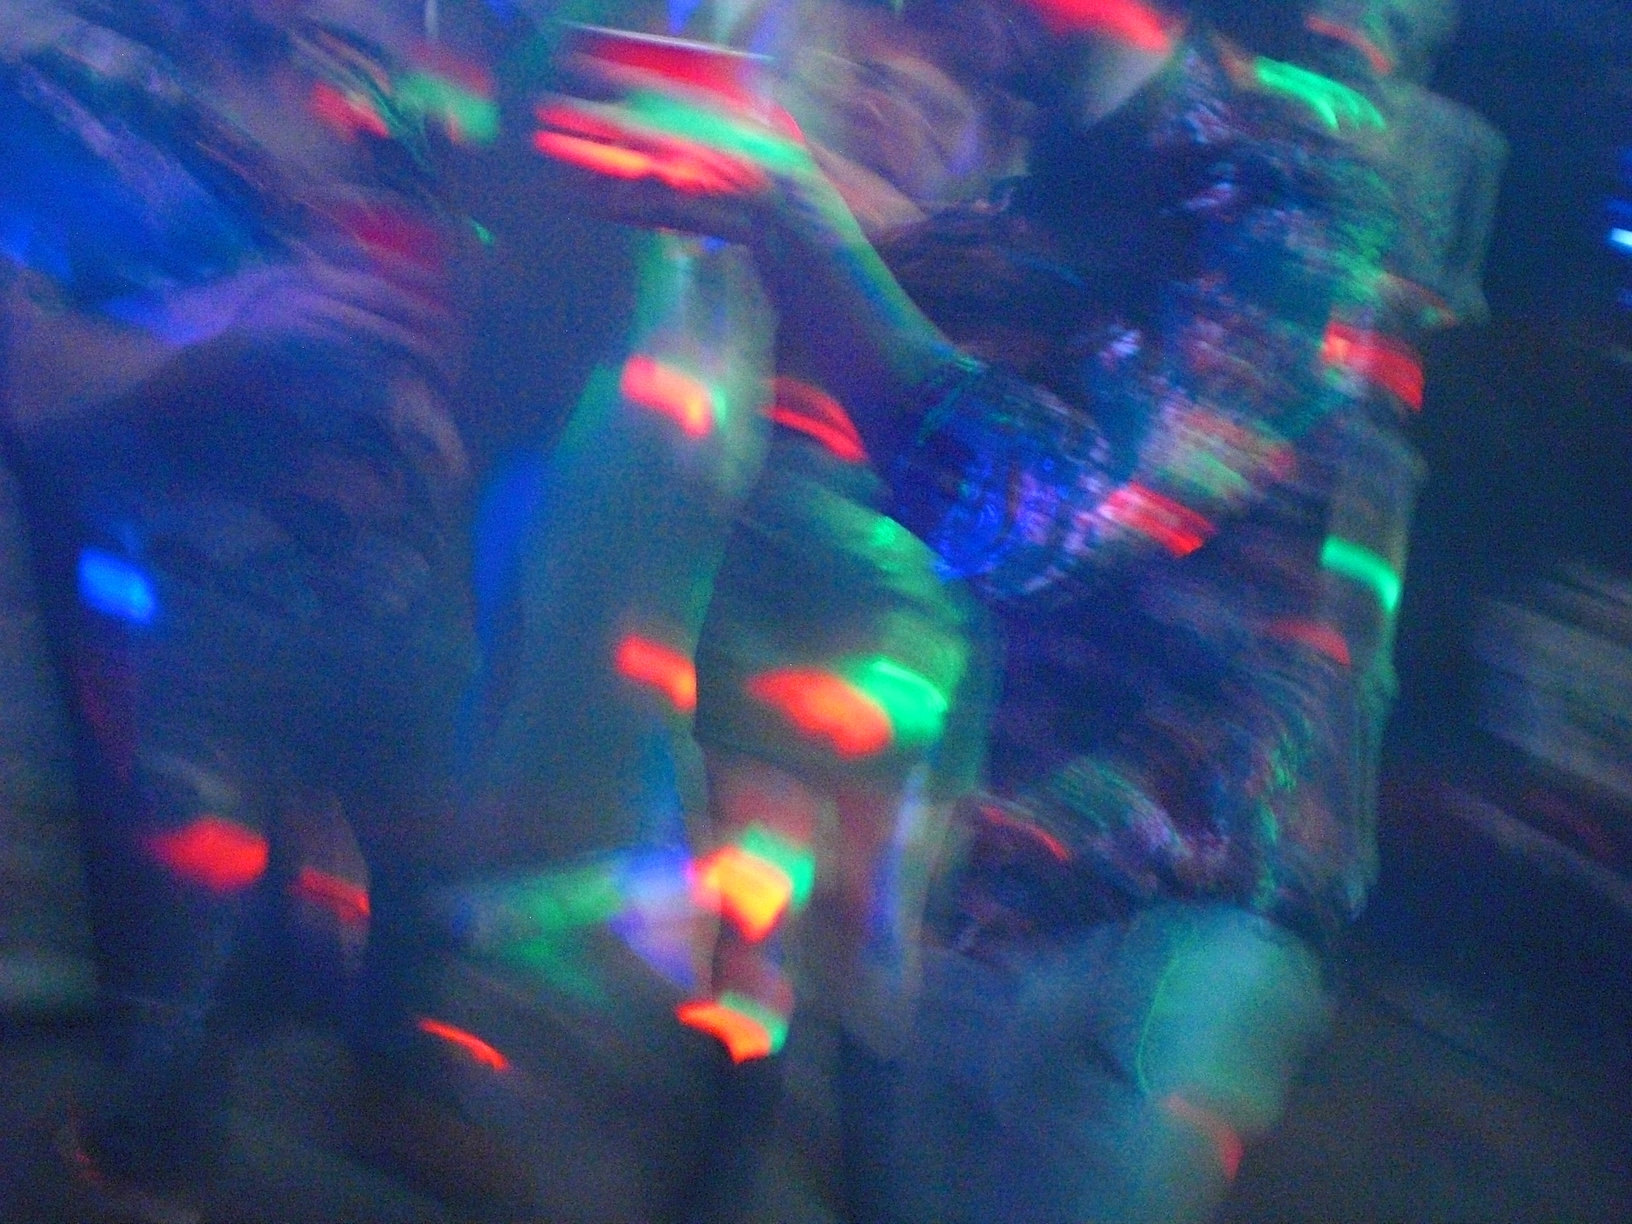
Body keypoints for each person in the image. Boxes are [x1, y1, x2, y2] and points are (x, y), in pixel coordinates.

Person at [535, 0, 1426, 1218]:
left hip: (1180, 914)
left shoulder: (1285, 185)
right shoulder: (1033, 190)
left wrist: (790, 210)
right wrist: (723, 191)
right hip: (1005, 888)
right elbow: (871, 348)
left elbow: (1048, 516)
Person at [1, 2, 482, 1218]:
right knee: (182, 931)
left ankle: (384, 1088)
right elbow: (32, 378)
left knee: (410, 870)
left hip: (384, 585)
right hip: (192, 595)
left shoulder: (363, 108)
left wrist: (417, 415)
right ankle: (152, 1153)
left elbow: (407, 313)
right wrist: (234, 335)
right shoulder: (61, 95)